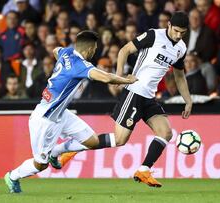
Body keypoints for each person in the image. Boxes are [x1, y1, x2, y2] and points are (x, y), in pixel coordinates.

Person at [58, 12, 192, 188]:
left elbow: (179, 76)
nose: (178, 35)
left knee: (166, 132)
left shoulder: (181, 48)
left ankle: (144, 170)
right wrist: (119, 76)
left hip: (149, 97)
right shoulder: (153, 35)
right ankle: (75, 147)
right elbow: (124, 50)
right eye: (176, 31)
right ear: (168, 25)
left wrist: (188, 100)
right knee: (120, 140)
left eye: (182, 32)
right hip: (134, 92)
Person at [4, 30, 137, 193]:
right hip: (45, 120)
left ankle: (57, 151)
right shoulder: (80, 65)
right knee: (40, 165)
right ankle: (12, 176)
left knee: (93, 142)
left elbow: (55, 50)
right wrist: (127, 80)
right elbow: (107, 78)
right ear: (89, 50)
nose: (94, 52)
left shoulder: (65, 52)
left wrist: (66, 74)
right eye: (94, 50)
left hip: (61, 114)